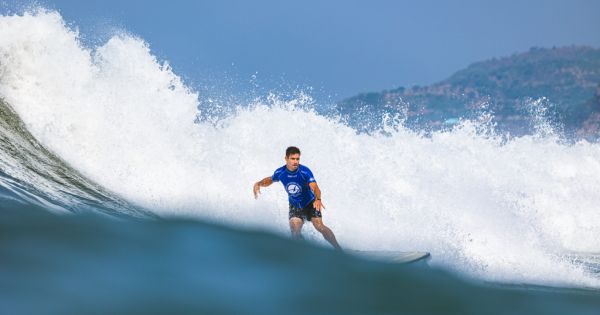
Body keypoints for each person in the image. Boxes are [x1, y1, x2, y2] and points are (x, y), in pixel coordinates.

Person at [253, 146, 342, 250]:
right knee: (295, 230)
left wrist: (318, 199)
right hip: (295, 205)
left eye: (297, 159)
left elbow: (315, 187)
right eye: (292, 159)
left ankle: (338, 249)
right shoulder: (280, 172)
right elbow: (271, 179)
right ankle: (302, 251)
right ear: (286, 158)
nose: (295, 161)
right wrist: (258, 183)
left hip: (311, 203)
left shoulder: (305, 171)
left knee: (319, 226)